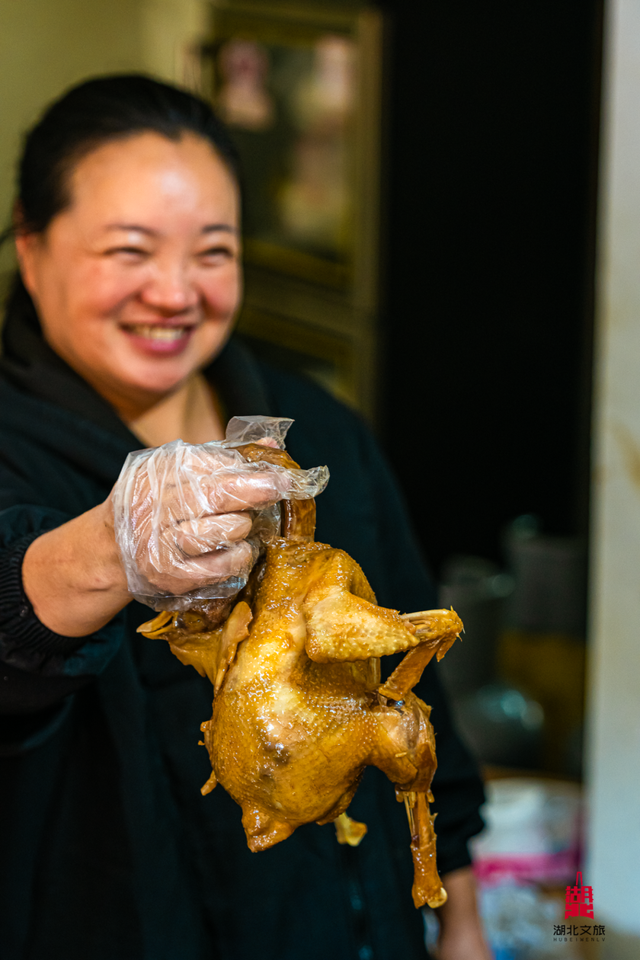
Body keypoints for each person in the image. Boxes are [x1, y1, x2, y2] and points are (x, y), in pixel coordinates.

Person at [0, 75, 489, 960]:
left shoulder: (315, 425)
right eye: (130, 250)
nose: (175, 292)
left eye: (213, 252)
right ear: (31, 249)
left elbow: (415, 697)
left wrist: (458, 915)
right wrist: (113, 549)